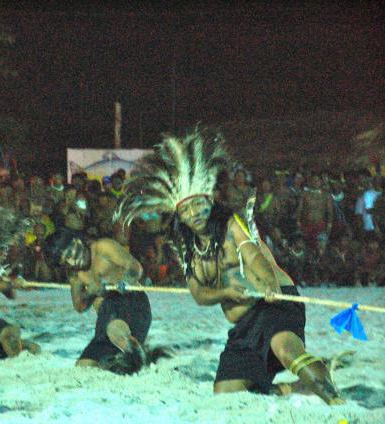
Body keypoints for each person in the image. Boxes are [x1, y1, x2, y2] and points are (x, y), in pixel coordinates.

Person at [118, 129, 343, 404]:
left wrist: (266, 285)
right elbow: (199, 294)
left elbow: (256, 259)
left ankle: (336, 402)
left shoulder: (232, 225)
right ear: (180, 216)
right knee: (226, 392)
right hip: (245, 323)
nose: (194, 213)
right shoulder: (188, 249)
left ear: (210, 203)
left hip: (272, 302)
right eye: (186, 210)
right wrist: (226, 294)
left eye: (199, 205)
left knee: (285, 348)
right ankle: (299, 387)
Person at [60, 237, 165, 375]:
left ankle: (139, 359)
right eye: (67, 258)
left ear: (77, 240)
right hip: (106, 317)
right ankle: (130, 356)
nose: (73, 259)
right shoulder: (76, 276)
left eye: (72, 250)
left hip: (132, 303)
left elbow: (136, 268)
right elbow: (80, 306)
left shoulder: (102, 248)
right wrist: (90, 293)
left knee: (114, 329)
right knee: (83, 368)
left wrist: (122, 282)